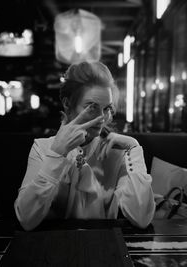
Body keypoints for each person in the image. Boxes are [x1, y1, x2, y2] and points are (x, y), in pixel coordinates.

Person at [14, 61, 155, 231]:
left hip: (106, 249)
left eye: (107, 108)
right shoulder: (43, 149)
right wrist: (57, 154)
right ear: (67, 104)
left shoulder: (116, 152)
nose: (102, 118)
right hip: (52, 250)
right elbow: (26, 219)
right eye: (92, 107)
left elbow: (141, 218)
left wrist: (134, 148)